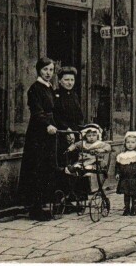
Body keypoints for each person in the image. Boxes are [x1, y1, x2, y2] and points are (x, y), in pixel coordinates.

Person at [17, 57, 59, 221]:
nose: (48, 73)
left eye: (51, 70)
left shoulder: (49, 87)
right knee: (37, 167)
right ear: (39, 70)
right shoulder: (35, 89)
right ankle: (35, 207)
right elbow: (37, 111)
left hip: (50, 132)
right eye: (45, 69)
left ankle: (44, 204)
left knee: (47, 167)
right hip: (38, 133)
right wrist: (47, 125)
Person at [53, 66, 88, 201]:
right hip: (61, 135)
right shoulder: (56, 95)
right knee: (64, 164)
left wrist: (80, 130)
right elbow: (55, 116)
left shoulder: (74, 95)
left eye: (72, 80)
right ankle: (62, 197)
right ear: (60, 81)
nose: (69, 82)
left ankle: (74, 197)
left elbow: (79, 115)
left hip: (75, 135)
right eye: (66, 80)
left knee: (76, 163)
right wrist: (66, 129)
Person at [115, 131, 136, 216]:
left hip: (134, 178)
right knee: (126, 194)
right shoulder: (121, 155)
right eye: (128, 142)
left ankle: (134, 208)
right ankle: (127, 208)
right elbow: (118, 166)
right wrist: (117, 173)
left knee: (134, 194)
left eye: (133, 142)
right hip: (124, 178)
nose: (130, 144)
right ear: (125, 143)